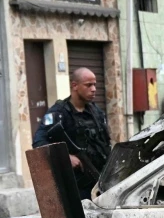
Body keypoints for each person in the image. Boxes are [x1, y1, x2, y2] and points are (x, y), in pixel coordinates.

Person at [33, 68, 112, 199]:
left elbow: (104, 143)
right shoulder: (58, 113)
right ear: (74, 86)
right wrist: (65, 156)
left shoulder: (96, 112)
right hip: (75, 185)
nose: (93, 89)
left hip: (100, 178)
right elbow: (39, 142)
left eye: (94, 84)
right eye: (88, 85)